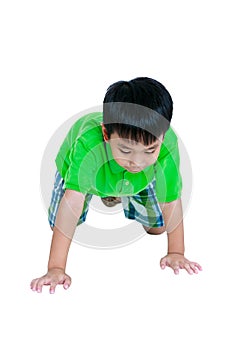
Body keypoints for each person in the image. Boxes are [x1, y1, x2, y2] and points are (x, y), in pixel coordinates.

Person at [30, 77, 202, 294]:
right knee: (62, 226)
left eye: (150, 150)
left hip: (138, 182)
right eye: (126, 150)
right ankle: (109, 192)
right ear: (106, 134)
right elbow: (73, 200)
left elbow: (171, 199)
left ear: (162, 136)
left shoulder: (167, 143)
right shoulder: (87, 144)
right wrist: (56, 268)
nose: (137, 162)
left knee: (157, 229)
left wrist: (176, 251)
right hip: (89, 177)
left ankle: (118, 193)